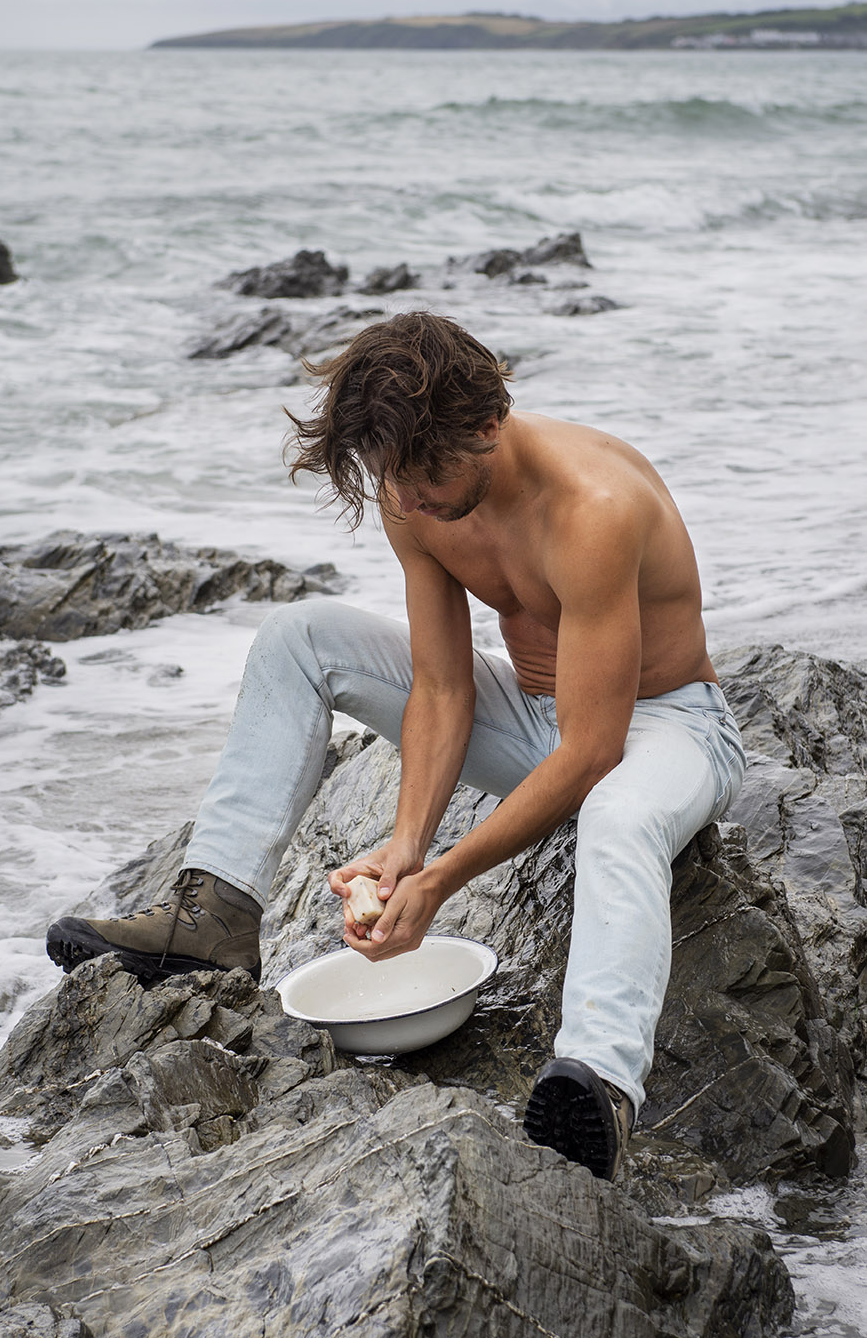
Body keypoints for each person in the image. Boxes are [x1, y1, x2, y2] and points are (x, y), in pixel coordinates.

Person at [47, 311, 746, 1182]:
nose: (404, 503)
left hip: (666, 730)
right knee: (300, 635)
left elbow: (593, 752)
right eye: (389, 478)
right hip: (534, 714)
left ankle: (597, 1086)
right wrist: (404, 849)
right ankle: (215, 913)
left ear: (487, 425)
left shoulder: (592, 509)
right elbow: (445, 687)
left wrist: (443, 879)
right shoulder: (410, 487)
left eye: (419, 476)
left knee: (616, 812)